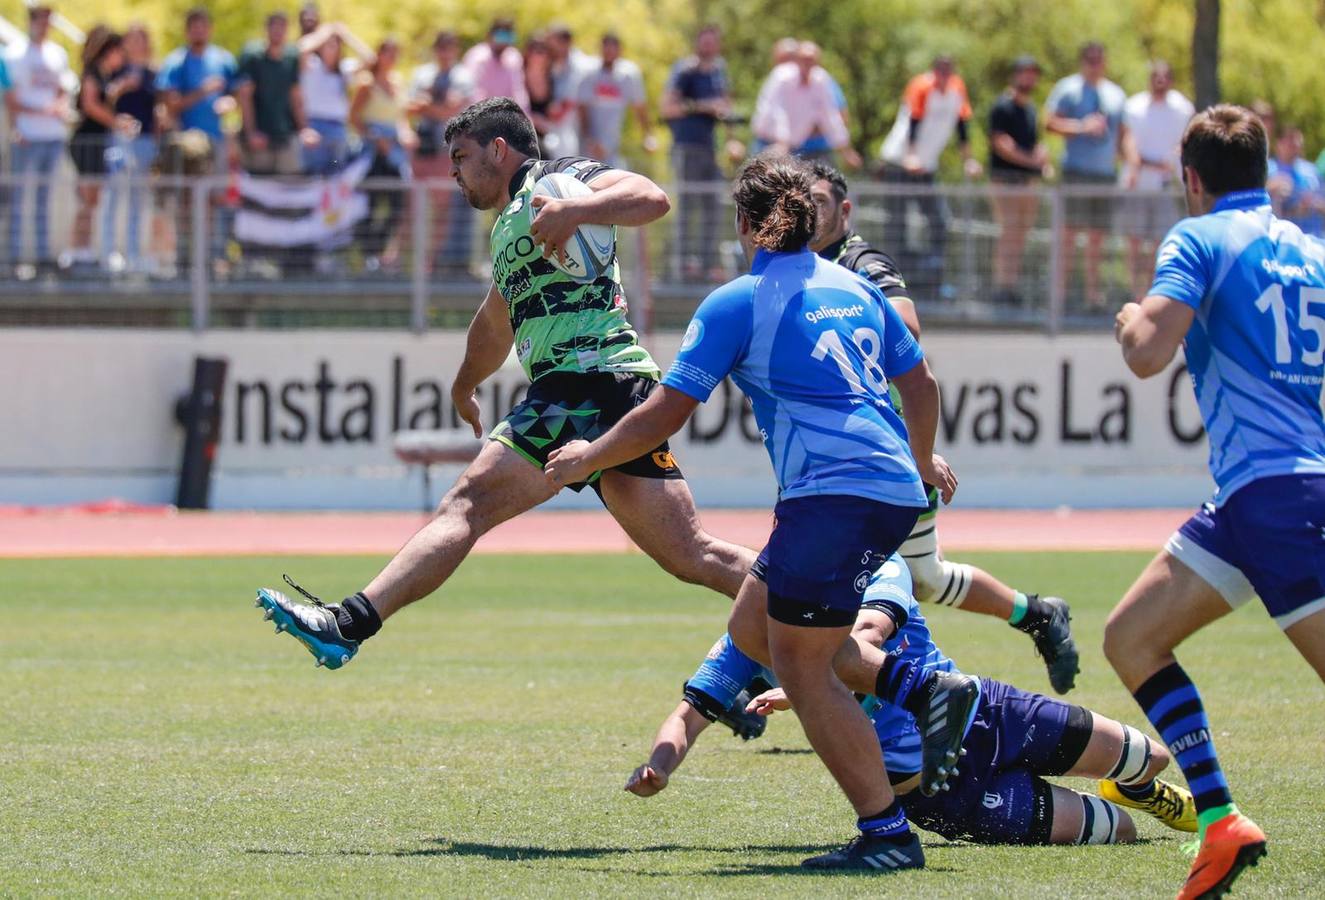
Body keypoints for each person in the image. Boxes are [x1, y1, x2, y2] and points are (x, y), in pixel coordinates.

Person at [539, 154, 979, 871]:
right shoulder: (855, 287)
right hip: (888, 488)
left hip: (830, 495)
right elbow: (920, 381)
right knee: (756, 620)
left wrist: (588, 456)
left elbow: (662, 414)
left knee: (802, 669)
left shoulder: (736, 301)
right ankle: (924, 689)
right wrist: (921, 461)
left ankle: (887, 833)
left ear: (745, 225)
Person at [254, 99, 760, 710]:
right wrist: (463, 384)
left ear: (499, 149)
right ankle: (840, 613)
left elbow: (653, 198)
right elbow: (495, 323)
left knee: (466, 504)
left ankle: (348, 624)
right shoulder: (505, 228)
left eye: (462, 158)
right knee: (691, 554)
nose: (455, 174)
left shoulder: (559, 179)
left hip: (587, 380)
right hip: (604, 387)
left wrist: (580, 206)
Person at [1106, 104, 1325, 899]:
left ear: (1190, 180)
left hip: (1273, 495)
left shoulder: (1197, 237)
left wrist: (1131, 318)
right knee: (1131, 637)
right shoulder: (1310, 249)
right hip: (1254, 498)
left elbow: (1147, 353)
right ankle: (1220, 821)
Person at [629, 553, 1198, 849]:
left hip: (988, 714)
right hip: (937, 792)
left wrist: (802, 682)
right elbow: (690, 714)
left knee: (1152, 759)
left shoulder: (881, 566)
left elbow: (869, 638)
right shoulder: (750, 635)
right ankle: (1115, 800)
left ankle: (1132, 783)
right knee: (1119, 832)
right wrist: (659, 764)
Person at [807, 161, 1079, 693]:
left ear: (844, 211)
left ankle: (750, 676)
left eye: (820, 202)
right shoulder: (801, 263)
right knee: (921, 577)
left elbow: (907, 326)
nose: (810, 213)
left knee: (833, 564)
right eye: (803, 203)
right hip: (841, 444)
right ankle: (1037, 615)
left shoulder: (861, 261)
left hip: (885, 443)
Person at [877, 56, 981, 298]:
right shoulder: (921, 85)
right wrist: (911, 156)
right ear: (934, 71)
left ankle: (931, 276)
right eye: (940, 71)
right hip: (900, 163)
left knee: (939, 221)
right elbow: (914, 119)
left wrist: (969, 159)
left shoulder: (957, 88)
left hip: (926, 168)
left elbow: (962, 125)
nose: (944, 76)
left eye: (949, 71)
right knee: (897, 223)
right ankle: (893, 281)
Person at [156, 7, 241, 273]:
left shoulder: (223, 60)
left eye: (203, 26)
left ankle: (212, 256)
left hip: (215, 142)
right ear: (187, 30)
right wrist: (203, 91)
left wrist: (229, 102)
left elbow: (238, 94)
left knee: (214, 199)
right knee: (185, 200)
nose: (199, 31)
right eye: (194, 26)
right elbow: (170, 105)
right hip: (186, 145)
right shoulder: (175, 63)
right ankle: (184, 257)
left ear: (210, 28)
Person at [1045, 42, 1127, 310]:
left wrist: (1131, 166)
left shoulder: (1115, 94)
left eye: (1099, 59)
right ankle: (1060, 298)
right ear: (1082, 61)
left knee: (1096, 239)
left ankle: (1093, 298)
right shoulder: (1067, 89)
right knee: (1068, 237)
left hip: (1104, 175)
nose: (1095, 64)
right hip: (1076, 173)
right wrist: (1081, 127)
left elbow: (1123, 136)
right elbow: (1049, 123)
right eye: (1089, 59)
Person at [660, 24, 732, 281]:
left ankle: (708, 265)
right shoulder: (684, 70)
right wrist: (702, 106)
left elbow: (725, 106)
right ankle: (682, 266)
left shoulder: (719, 72)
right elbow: (668, 108)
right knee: (687, 209)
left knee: (713, 208)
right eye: (705, 42)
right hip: (687, 148)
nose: (709, 47)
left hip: (711, 149)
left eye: (714, 42)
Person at [5, 4, 72, 274]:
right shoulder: (12, 54)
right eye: (39, 18)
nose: (43, 24)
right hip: (26, 136)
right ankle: (14, 259)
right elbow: (9, 97)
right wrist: (19, 125)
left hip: (52, 136)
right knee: (19, 198)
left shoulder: (58, 54)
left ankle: (44, 258)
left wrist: (59, 107)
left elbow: (63, 89)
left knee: (45, 200)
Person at [1119, 61, 1194, 296]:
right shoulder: (1134, 106)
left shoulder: (1182, 108)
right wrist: (1135, 165)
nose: (1160, 82)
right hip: (1137, 184)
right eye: (1156, 77)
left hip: (1166, 185)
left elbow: (1185, 141)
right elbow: (1126, 140)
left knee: (1159, 242)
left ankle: (1153, 292)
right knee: (1134, 240)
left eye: (1165, 77)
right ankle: (1134, 292)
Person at [409, 30, 477, 273]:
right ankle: (406, 262)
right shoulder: (422, 73)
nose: (445, 52)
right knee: (412, 208)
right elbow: (412, 107)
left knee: (443, 211)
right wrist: (436, 107)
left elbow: (455, 109)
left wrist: (430, 106)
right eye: (442, 47)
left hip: (448, 151)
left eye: (450, 47)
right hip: (423, 149)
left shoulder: (463, 76)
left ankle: (432, 263)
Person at [348, 38, 416, 272]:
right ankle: (367, 254)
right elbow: (354, 118)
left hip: (394, 151)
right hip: (372, 152)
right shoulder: (366, 83)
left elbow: (401, 116)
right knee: (371, 203)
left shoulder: (397, 82)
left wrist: (406, 134)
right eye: (388, 53)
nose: (391, 58)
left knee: (397, 203)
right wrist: (376, 138)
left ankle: (379, 252)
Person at [987, 55, 1050, 306]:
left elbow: (1034, 143)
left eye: (1033, 72)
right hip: (1006, 181)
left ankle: (1012, 286)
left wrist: (1042, 159)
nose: (1029, 77)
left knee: (1021, 235)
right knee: (1009, 233)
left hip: (1027, 183)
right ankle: (1001, 286)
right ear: (1015, 74)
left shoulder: (1031, 109)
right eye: (1025, 72)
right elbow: (1001, 144)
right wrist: (1033, 161)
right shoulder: (1003, 106)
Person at [101, 23, 163, 275]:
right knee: (114, 195)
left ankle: (135, 254)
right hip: (119, 141)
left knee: (138, 200)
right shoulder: (116, 70)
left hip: (146, 142)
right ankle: (108, 255)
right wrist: (122, 87)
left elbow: (159, 109)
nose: (136, 44)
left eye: (141, 39)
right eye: (132, 39)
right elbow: (103, 102)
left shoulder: (153, 74)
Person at [67, 27, 126, 270]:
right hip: (86, 143)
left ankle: (86, 249)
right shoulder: (92, 73)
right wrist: (116, 122)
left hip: (100, 143)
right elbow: (90, 105)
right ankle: (78, 250)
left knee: (94, 199)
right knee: (87, 199)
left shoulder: (106, 76)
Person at [751, 41, 856, 166]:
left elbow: (830, 116)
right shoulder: (781, 76)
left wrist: (845, 149)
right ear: (796, 60)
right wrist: (782, 141)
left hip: (793, 146)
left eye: (811, 60)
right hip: (769, 141)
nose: (807, 63)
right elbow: (777, 111)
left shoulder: (821, 81)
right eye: (804, 59)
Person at [236, 11, 313, 176]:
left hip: (285, 134)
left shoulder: (291, 57)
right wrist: (251, 132)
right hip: (260, 137)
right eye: (274, 26)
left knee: (289, 186)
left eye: (282, 27)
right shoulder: (252, 56)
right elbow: (245, 97)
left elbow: (295, 95)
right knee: (258, 189)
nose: (278, 31)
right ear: (266, 29)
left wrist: (304, 128)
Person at [297, 22, 373, 175]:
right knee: (314, 173)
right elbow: (300, 49)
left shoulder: (344, 70)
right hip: (314, 125)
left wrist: (345, 35)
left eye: (335, 45)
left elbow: (370, 58)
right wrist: (324, 33)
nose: (332, 49)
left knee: (336, 172)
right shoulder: (312, 66)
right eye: (328, 45)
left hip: (338, 129)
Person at [576, 33, 655, 169]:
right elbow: (582, 110)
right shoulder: (589, 74)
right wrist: (590, 140)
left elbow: (640, 107)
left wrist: (647, 135)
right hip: (590, 145)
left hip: (615, 143)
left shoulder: (628, 75)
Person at [1267, 126, 1324, 238]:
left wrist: (1313, 204)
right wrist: (1269, 188)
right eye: (1290, 142)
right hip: (1279, 237)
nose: (1295, 145)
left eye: (1297, 142)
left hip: (1313, 237)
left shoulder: (1311, 171)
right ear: (1278, 144)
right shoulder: (1267, 170)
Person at [463, 18, 528, 112]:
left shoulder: (514, 58)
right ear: (490, 35)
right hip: (480, 116)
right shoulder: (477, 57)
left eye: (508, 37)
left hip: (507, 116)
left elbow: (518, 92)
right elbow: (473, 93)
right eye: (501, 36)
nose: (503, 42)